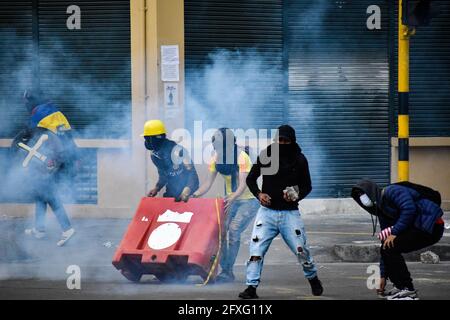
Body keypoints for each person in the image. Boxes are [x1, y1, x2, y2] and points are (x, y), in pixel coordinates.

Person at [238, 124, 323, 299]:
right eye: (279, 140)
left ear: (292, 141)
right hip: (266, 213)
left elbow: (307, 186)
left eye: (285, 141)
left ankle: (313, 278)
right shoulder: (267, 155)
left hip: (289, 214)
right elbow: (251, 178)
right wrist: (259, 194)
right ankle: (251, 288)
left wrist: (296, 194)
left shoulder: (300, 160)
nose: (282, 143)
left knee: (301, 250)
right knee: (256, 251)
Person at [351, 179, 445, 300]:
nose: (362, 199)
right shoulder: (382, 210)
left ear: (372, 192)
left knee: (392, 247)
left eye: (363, 194)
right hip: (417, 227)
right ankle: (401, 286)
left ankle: (408, 289)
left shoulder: (392, 191)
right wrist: (383, 275)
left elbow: (409, 209)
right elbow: (385, 242)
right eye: (359, 197)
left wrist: (395, 233)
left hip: (431, 225)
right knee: (387, 247)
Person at [192, 128, 259, 283]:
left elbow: (243, 184)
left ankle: (227, 271)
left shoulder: (242, 157)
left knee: (234, 230)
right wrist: (193, 195)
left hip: (248, 201)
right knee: (220, 233)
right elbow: (208, 183)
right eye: (216, 146)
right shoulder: (216, 158)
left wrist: (233, 197)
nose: (218, 149)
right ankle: (226, 270)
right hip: (231, 200)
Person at [13, 88, 77, 246]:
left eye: (26, 101)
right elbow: (68, 136)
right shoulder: (55, 112)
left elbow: (32, 138)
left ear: (32, 101)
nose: (25, 105)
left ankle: (67, 229)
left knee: (49, 193)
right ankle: (39, 229)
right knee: (41, 192)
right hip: (66, 156)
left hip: (54, 160)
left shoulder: (38, 115)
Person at [142, 119, 199, 201]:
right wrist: (157, 188)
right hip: (171, 194)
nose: (146, 142)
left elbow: (193, 175)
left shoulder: (178, 151)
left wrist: (187, 190)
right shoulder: (155, 155)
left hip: (189, 195)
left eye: (147, 138)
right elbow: (164, 175)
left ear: (154, 139)